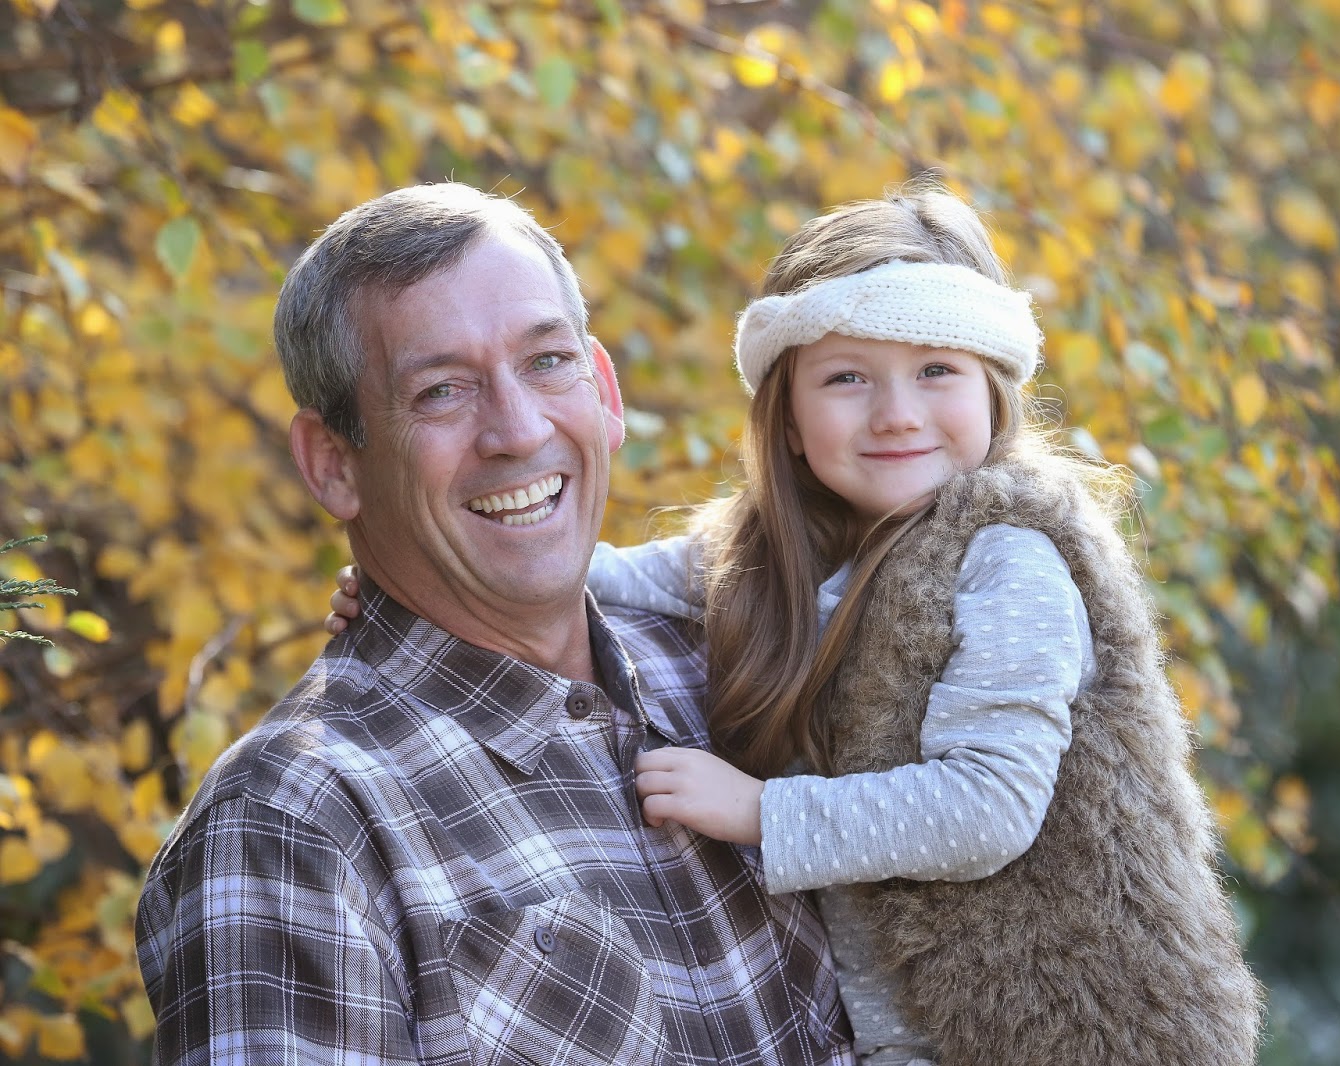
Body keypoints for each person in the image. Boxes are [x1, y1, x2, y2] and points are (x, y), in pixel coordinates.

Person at [328, 185, 1265, 1065]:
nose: (896, 415)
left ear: (995, 391)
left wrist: (759, 812)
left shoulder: (1009, 559)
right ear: (787, 420)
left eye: (937, 370)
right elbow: (601, 577)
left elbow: (989, 807)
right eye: (847, 377)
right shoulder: (784, 555)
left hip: (1050, 1023)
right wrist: (417, 587)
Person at [135, 183, 853, 1066]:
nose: (516, 429)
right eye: (441, 391)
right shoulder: (296, 824)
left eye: (546, 362)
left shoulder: (743, 668)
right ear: (333, 464)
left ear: (603, 390)